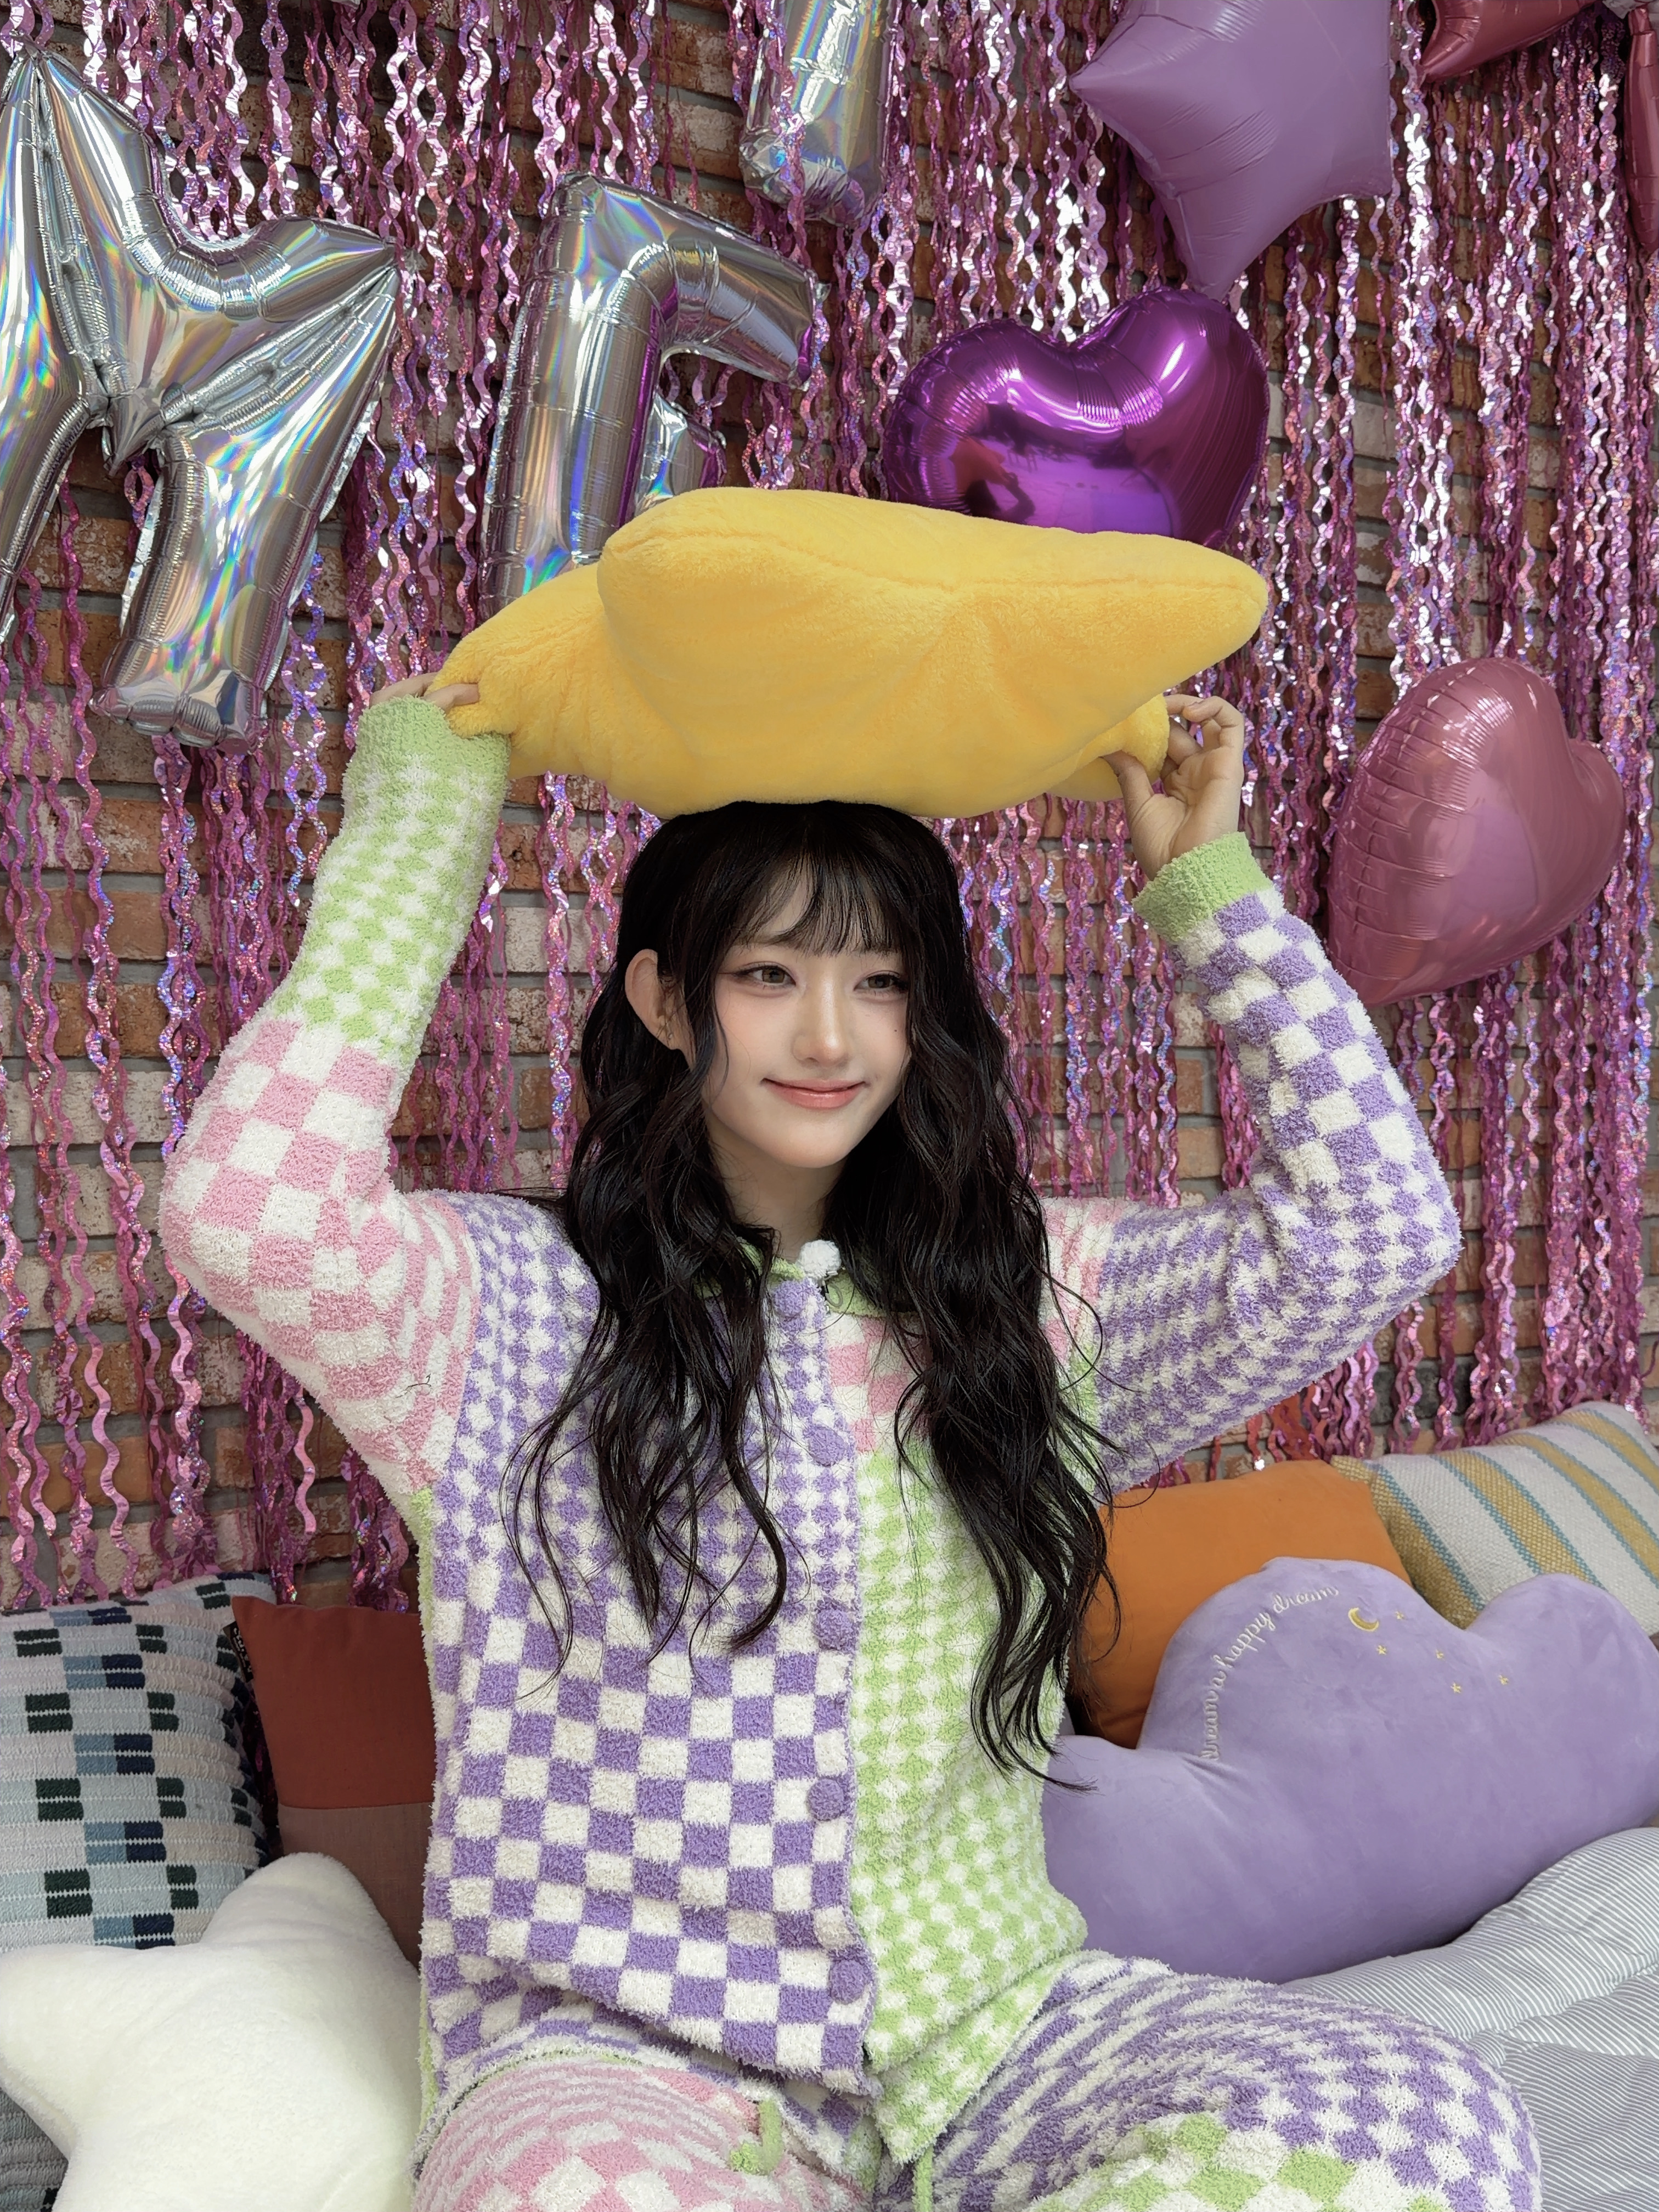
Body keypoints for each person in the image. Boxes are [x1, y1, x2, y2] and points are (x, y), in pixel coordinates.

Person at [161, 673, 1538, 2212]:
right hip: (632, 2074)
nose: (830, 1035)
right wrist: (427, 816)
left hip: (993, 2041)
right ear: (663, 1000)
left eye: (880, 982)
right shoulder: (496, 1312)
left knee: (1428, 2114)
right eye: (769, 975)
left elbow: (1376, 1227)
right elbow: (247, 1212)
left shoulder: (1031, 1310)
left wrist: (1209, 890)